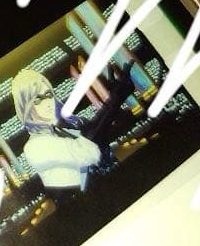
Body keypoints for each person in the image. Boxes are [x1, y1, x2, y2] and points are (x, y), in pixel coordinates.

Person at [11, 64, 135, 192]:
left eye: (48, 95)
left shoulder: (69, 124)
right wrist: (115, 99)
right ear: (26, 107)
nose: (47, 103)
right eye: (37, 100)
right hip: (89, 197)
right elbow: (89, 149)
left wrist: (117, 98)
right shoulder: (34, 146)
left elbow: (103, 135)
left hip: (118, 181)